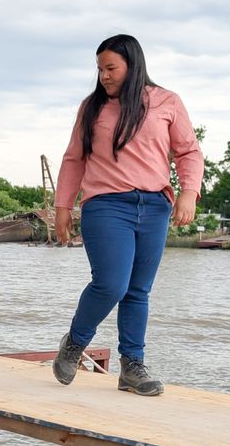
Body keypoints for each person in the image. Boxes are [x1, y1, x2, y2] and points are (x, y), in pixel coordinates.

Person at [53, 34, 204, 396]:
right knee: (111, 284)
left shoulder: (167, 102)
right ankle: (75, 342)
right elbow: (74, 159)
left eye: (111, 68)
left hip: (154, 207)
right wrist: (62, 207)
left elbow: (188, 152)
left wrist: (189, 193)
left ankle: (132, 366)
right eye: (100, 69)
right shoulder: (92, 108)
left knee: (138, 290)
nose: (104, 76)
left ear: (132, 65)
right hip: (106, 205)